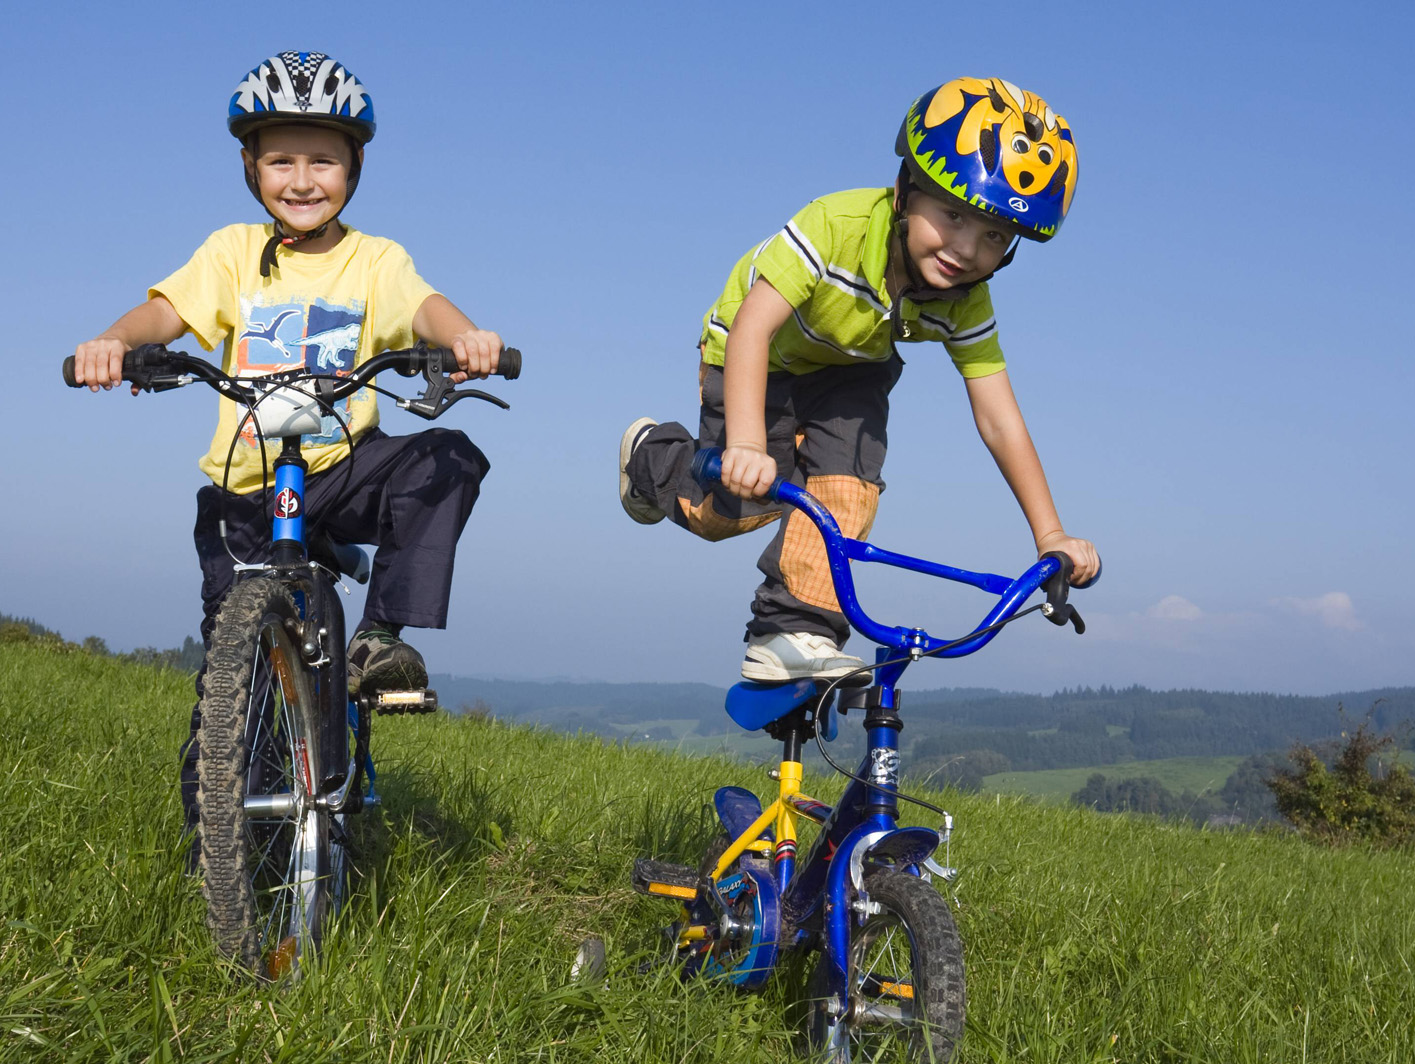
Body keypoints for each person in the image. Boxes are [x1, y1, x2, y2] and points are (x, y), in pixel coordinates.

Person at [70, 50, 504, 835]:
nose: (301, 181)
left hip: (342, 470)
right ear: (250, 166)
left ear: (354, 167)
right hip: (247, 492)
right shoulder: (233, 253)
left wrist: (466, 335)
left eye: (323, 162)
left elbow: (426, 307)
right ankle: (243, 862)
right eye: (281, 161)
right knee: (237, 701)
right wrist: (112, 341)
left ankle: (377, 639)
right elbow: (163, 314)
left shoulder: (374, 261)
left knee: (448, 457)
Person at [620, 76, 1099, 682]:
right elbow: (751, 331)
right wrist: (742, 443)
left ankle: (794, 631)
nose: (965, 249)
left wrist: (1050, 533)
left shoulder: (966, 300)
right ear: (905, 191)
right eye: (952, 213)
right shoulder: (836, 226)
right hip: (752, 349)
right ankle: (651, 456)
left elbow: (999, 419)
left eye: (994, 235)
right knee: (730, 509)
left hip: (850, 367)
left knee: (846, 490)